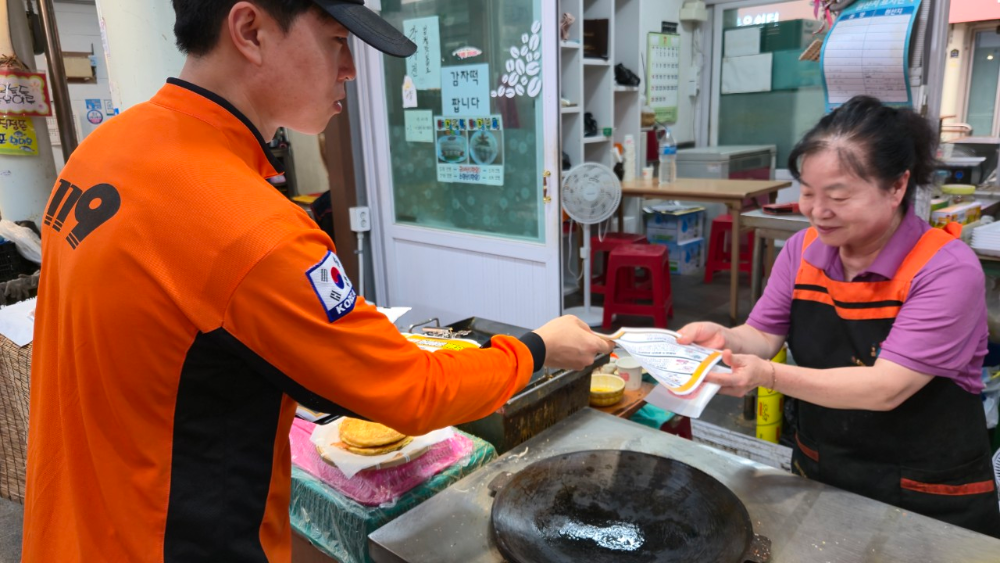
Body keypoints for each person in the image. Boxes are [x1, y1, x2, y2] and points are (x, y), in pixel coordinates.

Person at [22, 1, 614, 561]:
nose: (352, 68)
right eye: (336, 40)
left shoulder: (102, 152)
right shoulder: (247, 227)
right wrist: (537, 348)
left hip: (71, 532)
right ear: (250, 31)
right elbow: (410, 390)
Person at [679, 96, 1000, 538]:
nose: (817, 211)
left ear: (896, 187)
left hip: (928, 498)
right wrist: (727, 338)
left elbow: (886, 388)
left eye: (839, 196)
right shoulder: (802, 250)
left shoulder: (946, 269)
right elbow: (762, 333)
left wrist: (767, 375)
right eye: (808, 192)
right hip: (821, 471)